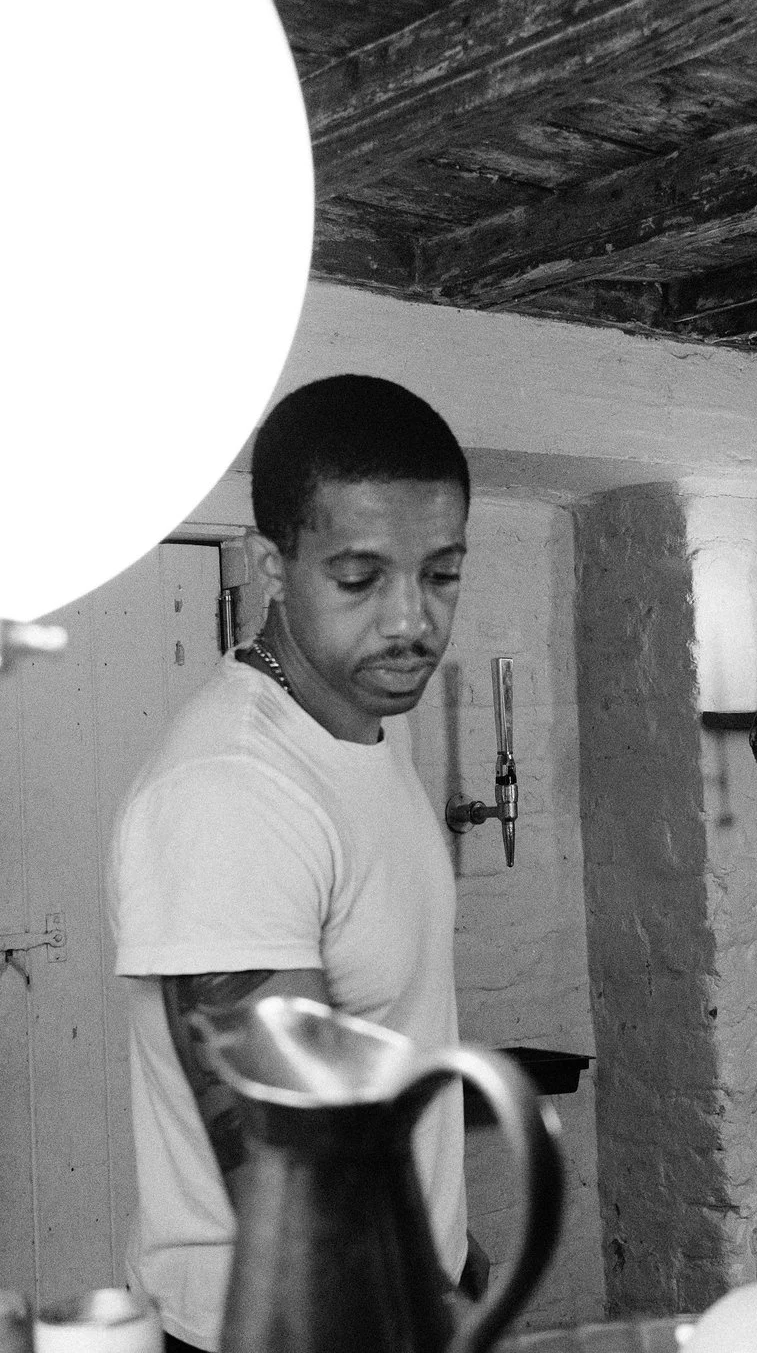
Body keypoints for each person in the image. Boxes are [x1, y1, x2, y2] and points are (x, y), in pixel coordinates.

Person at [109, 374, 480, 1353]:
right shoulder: (232, 789)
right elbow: (293, 1178)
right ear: (272, 565)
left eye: (441, 574)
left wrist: (448, 1248)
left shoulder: (364, 726)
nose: (411, 620)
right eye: (359, 579)